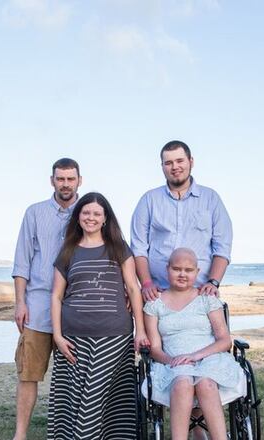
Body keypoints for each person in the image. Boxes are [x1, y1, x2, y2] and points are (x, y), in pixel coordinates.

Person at [48, 192, 148, 440]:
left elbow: (133, 288)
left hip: (115, 337)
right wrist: (57, 336)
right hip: (74, 339)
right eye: (86, 212)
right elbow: (56, 296)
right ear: (78, 216)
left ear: (105, 219)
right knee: (75, 399)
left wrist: (141, 330)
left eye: (96, 213)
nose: (90, 217)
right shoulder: (68, 250)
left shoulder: (119, 248)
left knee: (104, 400)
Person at [11, 158, 81, 440]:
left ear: (79, 180)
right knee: (28, 373)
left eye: (70, 179)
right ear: (52, 180)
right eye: (60, 179)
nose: (65, 184)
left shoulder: (89, 211)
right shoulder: (35, 213)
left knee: (75, 378)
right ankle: (20, 434)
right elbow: (22, 261)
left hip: (75, 307)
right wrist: (20, 302)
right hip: (38, 307)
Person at [144, 248, 244, 440]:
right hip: (173, 362)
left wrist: (195, 356)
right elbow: (155, 349)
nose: (182, 274)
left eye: (188, 270)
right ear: (167, 269)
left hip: (209, 358)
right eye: (176, 269)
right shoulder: (154, 304)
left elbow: (225, 340)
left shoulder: (206, 299)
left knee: (206, 384)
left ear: (197, 272)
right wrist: (173, 360)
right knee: (182, 383)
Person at [131, 139, 233, 302]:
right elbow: (138, 248)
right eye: (168, 163)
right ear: (162, 166)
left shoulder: (211, 199)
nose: (175, 167)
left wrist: (213, 282)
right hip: (158, 295)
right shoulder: (149, 200)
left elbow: (222, 246)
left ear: (191, 162)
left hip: (201, 294)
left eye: (180, 161)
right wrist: (146, 283)